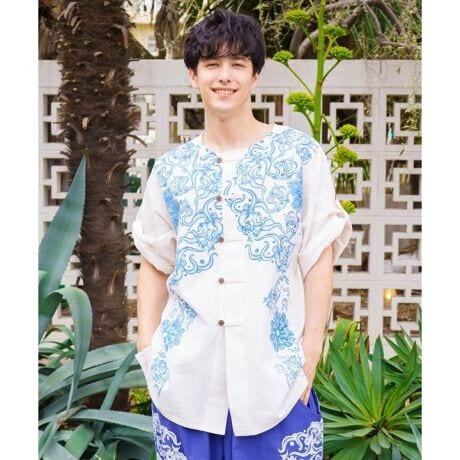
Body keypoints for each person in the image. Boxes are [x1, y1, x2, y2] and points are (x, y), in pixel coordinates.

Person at [132, 8, 352, 459]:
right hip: (186, 381)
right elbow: (154, 262)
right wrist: (149, 350)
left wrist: (310, 352)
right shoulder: (172, 171)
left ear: (255, 76)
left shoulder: (298, 157)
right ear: (194, 75)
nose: (224, 76)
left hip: (275, 380)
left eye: (238, 64)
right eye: (212, 64)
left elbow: (318, 256)